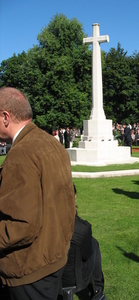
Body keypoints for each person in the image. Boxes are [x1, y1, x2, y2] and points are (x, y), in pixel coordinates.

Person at [0, 87, 75, 300]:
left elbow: (21, 225)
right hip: (54, 257)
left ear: (6, 117)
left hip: (29, 270)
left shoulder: (21, 154)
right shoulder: (51, 143)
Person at [62, 184, 106, 300]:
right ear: (75, 197)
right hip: (74, 278)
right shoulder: (82, 229)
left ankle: (98, 290)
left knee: (92, 244)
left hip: (50, 276)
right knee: (94, 245)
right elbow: (87, 256)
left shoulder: (43, 227)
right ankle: (98, 290)